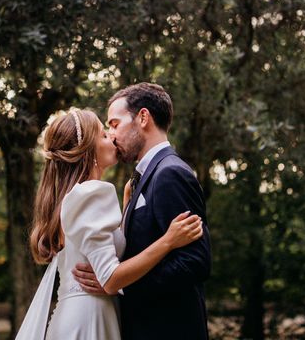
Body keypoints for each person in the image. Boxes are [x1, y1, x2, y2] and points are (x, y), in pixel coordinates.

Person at [15, 108, 203, 340]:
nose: (112, 137)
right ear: (89, 151)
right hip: (89, 320)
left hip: (76, 314)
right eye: (104, 134)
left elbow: (99, 249)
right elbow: (111, 279)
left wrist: (126, 213)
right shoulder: (93, 192)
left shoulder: (75, 195)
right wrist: (168, 241)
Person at [72, 83, 212, 340]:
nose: (111, 135)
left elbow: (195, 263)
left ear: (143, 117)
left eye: (114, 124)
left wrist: (120, 286)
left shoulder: (170, 173)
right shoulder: (141, 180)